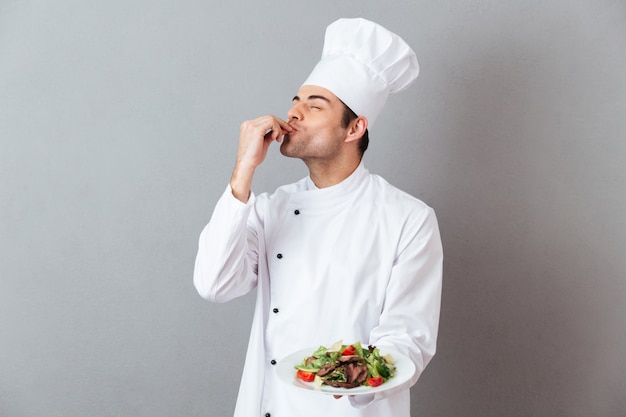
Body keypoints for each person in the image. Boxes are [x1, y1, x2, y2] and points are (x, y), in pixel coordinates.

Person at [194, 17, 443, 417]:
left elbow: (407, 338)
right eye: (296, 100)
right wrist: (243, 172)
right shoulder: (270, 207)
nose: (294, 113)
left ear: (354, 128)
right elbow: (214, 284)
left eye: (314, 105)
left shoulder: (407, 218)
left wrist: (344, 378)